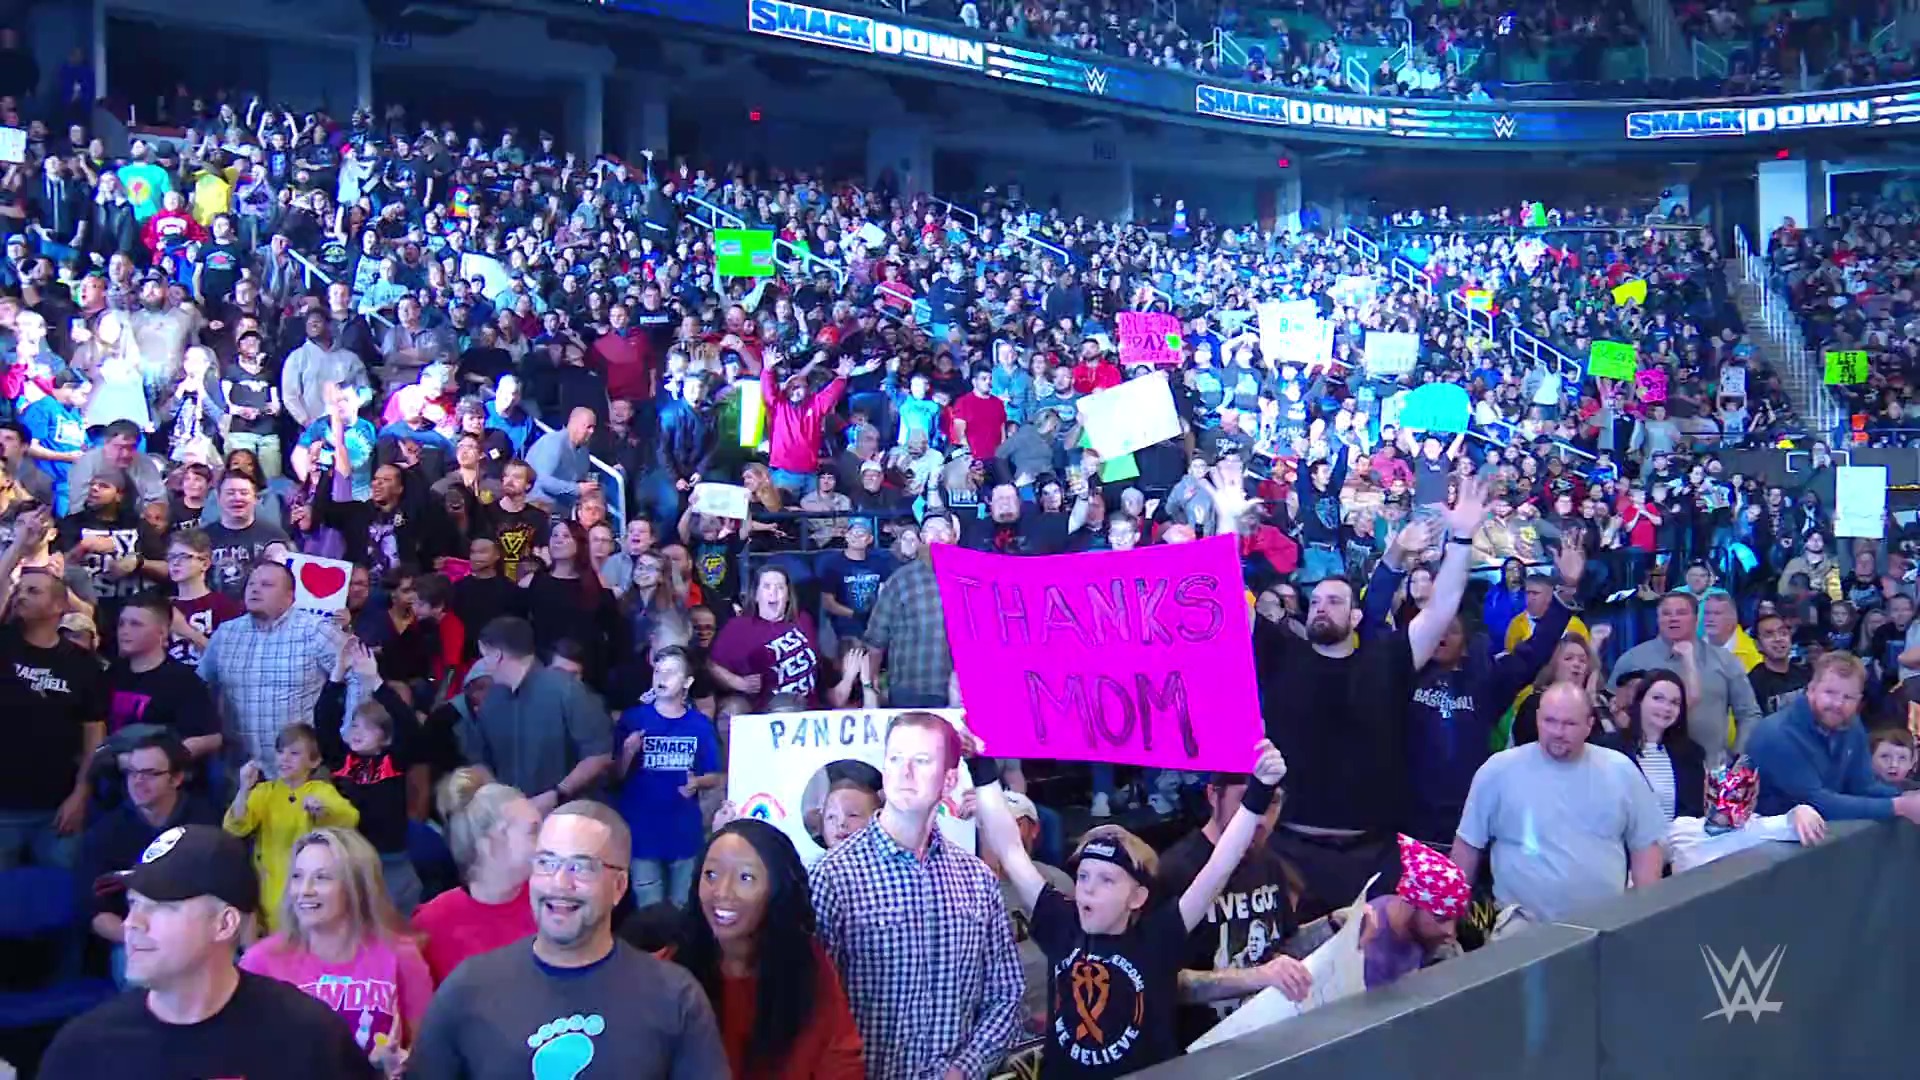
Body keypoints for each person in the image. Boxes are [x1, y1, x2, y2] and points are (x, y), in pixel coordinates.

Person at [973, 737, 1292, 1077]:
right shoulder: (1061, 923)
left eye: (1107, 880)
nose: (1088, 888)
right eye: (1083, 876)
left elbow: (1218, 867)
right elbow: (1009, 848)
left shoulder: (1156, 936)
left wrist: (1259, 791)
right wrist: (980, 764)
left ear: (1137, 897)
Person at [1255, 477, 1487, 917]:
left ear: (1357, 616)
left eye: (1334, 601)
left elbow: (1441, 609)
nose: (1321, 607)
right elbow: (1224, 602)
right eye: (1315, 601)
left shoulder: (1388, 658)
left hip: (1372, 853)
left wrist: (1461, 538)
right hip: (1290, 851)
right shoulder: (1283, 654)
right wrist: (1227, 525)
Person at [409, 801, 730, 1078]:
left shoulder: (674, 997)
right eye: (546, 863)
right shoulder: (468, 988)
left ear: (619, 886)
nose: (560, 883)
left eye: (581, 867)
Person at [39, 825, 378, 1078]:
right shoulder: (83, 1050)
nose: (132, 923)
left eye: (161, 906)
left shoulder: (309, 1037)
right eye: (133, 904)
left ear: (224, 923)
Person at [810, 712, 1022, 1080]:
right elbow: (808, 1009)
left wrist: (962, 1070)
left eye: (921, 761)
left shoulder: (977, 881)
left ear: (949, 779)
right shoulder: (831, 877)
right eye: (895, 759)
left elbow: (1006, 994)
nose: (904, 773)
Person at [1451, 682, 1668, 930]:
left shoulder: (1621, 770)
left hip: (1604, 925)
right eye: (1550, 721)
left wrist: (1647, 918)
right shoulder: (1497, 771)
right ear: (1537, 719)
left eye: (1569, 724)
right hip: (1520, 925)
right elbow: (1468, 845)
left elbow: (1645, 847)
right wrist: (1451, 919)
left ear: (1589, 724)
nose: (1558, 731)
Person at [665, 819, 866, 1079]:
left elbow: (841, 1061)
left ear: (777, 889)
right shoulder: (667, 970)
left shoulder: (809, 966)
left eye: (745, 878)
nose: (722, 892)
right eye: (711, 875)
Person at [239, 828, 433, 1074]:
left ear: (356, 887)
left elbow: (427, 1052)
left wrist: (401, 1065)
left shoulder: (401, 955)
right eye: (297, 876)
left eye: (322, 878)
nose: (304, 890)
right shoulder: (260, 962)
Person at [1154, 771, 1309, 1046]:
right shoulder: (1174, 870)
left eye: (1273, 802)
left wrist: (1334, 925)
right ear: (1213, 796)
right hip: (1203, 1049)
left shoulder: (1270, 864)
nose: (1260, 818)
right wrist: (1255, 977)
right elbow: (1160, 980)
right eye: (1248, 801)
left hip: (1266, 1034)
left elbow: (1286, 943)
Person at [0, 514, 108, 870]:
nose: (21, 596)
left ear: (59, 606)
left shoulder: (82, 663)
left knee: (62, 895)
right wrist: (19, 546)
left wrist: (81, 794)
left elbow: (94, 736)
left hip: (57, 808)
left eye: (33, 591)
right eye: (19, 590)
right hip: (3, 808)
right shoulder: (5, 644)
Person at [77, 732, 223, 986]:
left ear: (176, 778)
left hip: (197, 934)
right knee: (135, 974)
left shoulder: (207, 823)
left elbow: (226, 891)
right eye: (132, 772)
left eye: (150, 773)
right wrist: (140, 938)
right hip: (135, 938)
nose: (138, 781)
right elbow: (95, 912)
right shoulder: (106, 833)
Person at [455, 615, 612, 808]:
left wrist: (557, 794)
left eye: (484, 656)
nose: (483, 664)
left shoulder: (568, 691)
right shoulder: (492, 700)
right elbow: (479, 757)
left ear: (497, 655)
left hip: (567, 815)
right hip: (514, 816)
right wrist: (502, 800)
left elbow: (599, 754)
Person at [199, 561, 345, 766]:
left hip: (300, 770)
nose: (255, 589)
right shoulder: (225, 634)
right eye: (251, 584)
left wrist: (346, 732)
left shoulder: (316, 630)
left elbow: (358, 678)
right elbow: (200, 688)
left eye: (266, 585)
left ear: (290, 596)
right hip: (239, 768)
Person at [1746, 652, 1920, 823]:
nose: (1838, 704)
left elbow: (1863, 786)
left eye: (1848, 697)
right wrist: (1897, 806)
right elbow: (1817, 803)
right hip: (1773, 834)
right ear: (1811, 690)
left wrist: (1906, 797)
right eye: (1830, 693)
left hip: (1828, 832)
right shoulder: (1778, 735)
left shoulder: (1851, 723)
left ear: (1859, 700)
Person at [223, 722, 360, 931]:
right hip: (269, 891)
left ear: (314, 761)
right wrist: (243, 789)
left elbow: (349, 818)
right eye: (280, 752)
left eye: (294, 753)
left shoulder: (321, 790)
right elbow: (235, 827)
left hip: (308, 890)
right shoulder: (265, 791)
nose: (284, 758)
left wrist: (324, 810)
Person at [614, 645, 722, 907]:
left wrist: (697, 783)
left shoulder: (700, 725)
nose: (661, 678)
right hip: (641, 835)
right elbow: (614, 777)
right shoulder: (632, 719)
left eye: (670, 673)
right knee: (649, 912)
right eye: (658, 671)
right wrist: (628, 752)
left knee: (681, 910)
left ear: (687, 682)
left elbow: (716, 776)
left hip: (684, 835)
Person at [411, 767, 541, 983]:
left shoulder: (553, 905)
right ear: (490, 843)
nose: (548, 841)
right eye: (533, 831)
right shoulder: (430, 926)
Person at [1608, 591, 1763, 768]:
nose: (1673, 619)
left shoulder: (1725, 661)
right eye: (1666, 614)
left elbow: (1749, 714)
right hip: (1647, 768)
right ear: (1657, 619)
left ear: (1696, 619)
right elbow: (1611, 709)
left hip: (1712, 769)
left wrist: (1738, 760)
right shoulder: (1632, 660)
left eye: (1681, 613)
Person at [864, 512, 957, 708]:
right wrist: (870, 686)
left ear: (954, 536)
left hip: (966, 689)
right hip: (912, 688)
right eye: (930, 530)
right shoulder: (901, 579)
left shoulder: (974, 578)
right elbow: (876, 638)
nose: (937, 535)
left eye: (943, 530)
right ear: (922, 538)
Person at [1361, 835, 1469, 989]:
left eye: (1455, 920)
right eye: (1440, 918)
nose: (1450, 932)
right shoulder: (1367, 947)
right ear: (1411, 905)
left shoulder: (1425, 934)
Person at [709, 565, 820, 713]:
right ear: (756, 595)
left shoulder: (804, 620)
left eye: (780, 587)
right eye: (767, 587)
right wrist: (739, 683)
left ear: (788, 596)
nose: (773, 593)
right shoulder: (738, 627)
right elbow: (712, 665)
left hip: (807, 707)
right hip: (764, 709)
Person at [1601, 669, 1706, 823]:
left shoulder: (1692, 754)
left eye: (1674, 702)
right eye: (1658, 698)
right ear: (1640, 700)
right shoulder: (1609, 749)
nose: (1666, 708)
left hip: (1679, 837)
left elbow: (1695, 813)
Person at [1746, 612, 1810, 716]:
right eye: (1769, 635)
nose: (1778, 639)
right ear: (1758, 645)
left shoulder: (1805, 674)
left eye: (1783, 633)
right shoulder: (1751, 684)